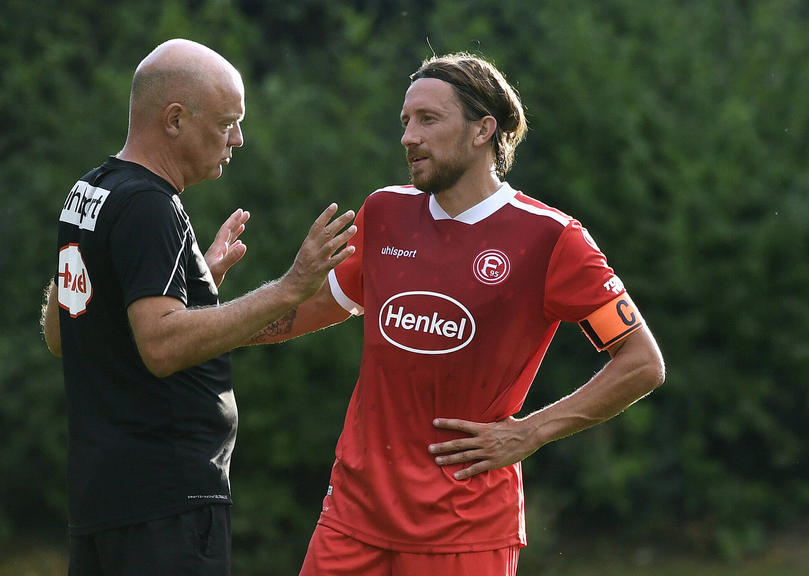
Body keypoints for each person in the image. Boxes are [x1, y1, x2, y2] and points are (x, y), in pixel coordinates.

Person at [247, 52, 666, 576]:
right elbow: (313, 309)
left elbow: (643, 362)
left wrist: (530, 432)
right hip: (353, 517)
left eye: (428, 119)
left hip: (465, 531)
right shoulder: (384, 212)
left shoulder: (551, 239)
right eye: (405, 121)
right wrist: (208, 323)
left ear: (482, 130)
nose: (408, 137)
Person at [39, 39, 356, 576]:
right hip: (165, 505)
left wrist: (197, 283)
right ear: (176, 120)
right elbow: (162, 346)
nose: (238, 139)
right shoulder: (149, 207)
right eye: (227, 122)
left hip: (105, 498)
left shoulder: (91, 191)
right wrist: (291, 286)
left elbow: (62, 331)